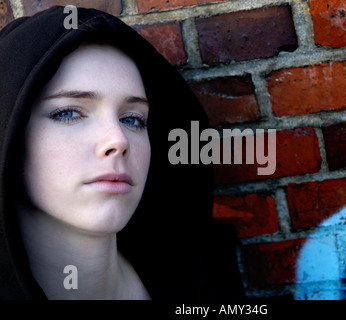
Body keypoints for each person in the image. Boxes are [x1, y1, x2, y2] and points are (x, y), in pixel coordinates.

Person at [0, 6, 245, 300]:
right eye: (68, 113)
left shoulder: (206, 280)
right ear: (8, 130)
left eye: (133, 119)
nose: (118, 139)